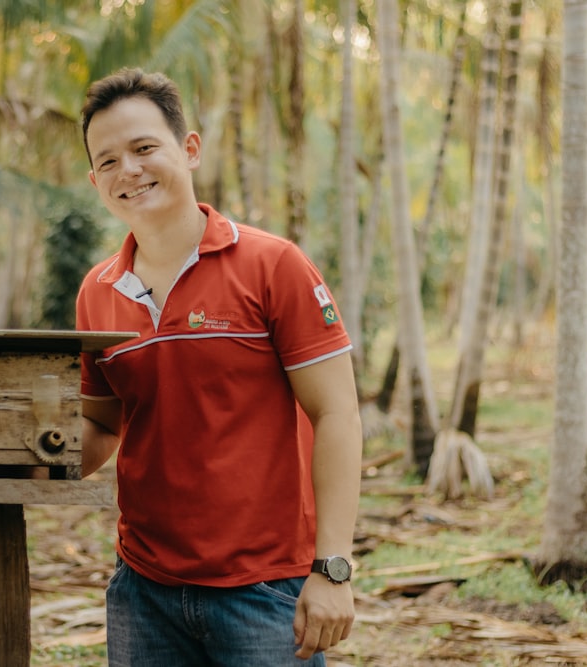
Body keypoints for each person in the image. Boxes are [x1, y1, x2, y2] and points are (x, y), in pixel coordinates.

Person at [75, 67, 363, 667]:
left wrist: (333, 569)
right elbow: (102, 427)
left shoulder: (272, 265)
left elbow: (336, 413)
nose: (127, 170)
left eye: (144, 148)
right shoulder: (96, 292)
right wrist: (18, 462)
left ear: (190, 149)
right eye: (107, 161)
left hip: (266, 591)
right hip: (143, 591)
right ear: (94, 180)